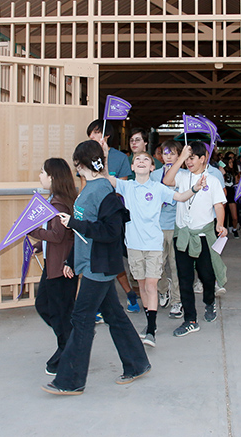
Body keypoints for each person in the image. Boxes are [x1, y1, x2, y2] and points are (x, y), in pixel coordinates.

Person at [43, 140, 150, 395]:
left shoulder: (102, 190)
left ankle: (70, 381)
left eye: (76, 164)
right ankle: (137, 363)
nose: (76, 168)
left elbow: (111, 232)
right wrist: (71, 259)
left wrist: (75, 225)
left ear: (80, 164)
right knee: (114, 315)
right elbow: (82, 231)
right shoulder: (91, 188)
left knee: (81, 319)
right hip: (91, 264)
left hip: (99, 267)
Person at [104, 149, 203, 347]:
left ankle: (151, 329)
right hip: (133, 245)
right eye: (137, 160)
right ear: (132, 167)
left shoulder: (158, 188)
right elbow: (107, 177)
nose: (140, 162)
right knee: (141, 286)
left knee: (151, 285)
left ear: (152, 167)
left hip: (153, 245)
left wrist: (195, 188)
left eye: (145, 160)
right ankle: (151, 324)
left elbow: (181, 197)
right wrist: (105, 153)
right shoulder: (127, 186)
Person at [162, 142, 227, 337]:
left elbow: (219, 206)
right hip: (183, 235)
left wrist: (220, 224)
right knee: (184, 278)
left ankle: (209, 302)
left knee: (207, 276)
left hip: (203, 236)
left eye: (192, 158)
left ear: (203, 158)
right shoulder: (182, 176)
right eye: (187, 158)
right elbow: (166, 180)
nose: (189, 162)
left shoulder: (213, 180)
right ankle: (190, 319)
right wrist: (180, 157)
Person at [28, 158, 77, 376]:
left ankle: (68, 349)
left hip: (61, 268)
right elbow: (62, 236)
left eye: (42, 172)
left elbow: (57, 235)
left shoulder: (58, 203)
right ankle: (68, 344)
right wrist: (40, 244)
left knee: (58, 312)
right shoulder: (59, 199)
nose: (40, 176)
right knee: (48, 307)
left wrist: (31, 231)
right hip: (55, 264)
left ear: (53, 177)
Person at [84, 119, 139, 314]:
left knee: (113, 257)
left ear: (106, 135)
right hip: (92, 215)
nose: (91, 136)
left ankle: (129, 293)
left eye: (95, 133)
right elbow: (84, 186)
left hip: (111, 216)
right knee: (95, 258)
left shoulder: (119, 158)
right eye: (90, 133)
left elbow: (121, 188)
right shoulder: (86, 155)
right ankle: (103, 303)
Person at [152, 140, 184, 319]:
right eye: (165, 153)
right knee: (156, 266)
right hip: (157, 226)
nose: (169, 156)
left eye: (172, 153)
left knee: (176, 265)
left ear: (179, 156)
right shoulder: (154, 175)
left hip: (176, 226)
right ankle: (163, 289)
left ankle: (177, 301)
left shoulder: (185, 175)